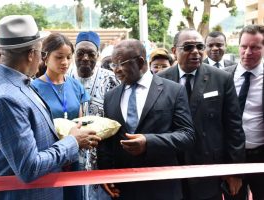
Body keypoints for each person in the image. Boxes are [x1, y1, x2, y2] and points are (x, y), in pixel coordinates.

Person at [0, 15, 101, 200]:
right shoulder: (7, 97)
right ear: (30, 54)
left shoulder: (12, 82)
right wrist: (72, 142)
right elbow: (29, 167)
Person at [97, 39, 195, 200]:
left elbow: (187, 135)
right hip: (124, 190)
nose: (116, 71)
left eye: (121, 64)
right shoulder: (110, 97)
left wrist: (148, 142)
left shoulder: (173, 91)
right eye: (113, 65)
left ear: (140, 61)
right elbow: (108, 142)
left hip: (162, 188)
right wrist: (105, 174)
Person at [158, 28, 245, 200]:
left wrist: (235, 171)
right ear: (175, 51)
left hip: (209, 168)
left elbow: (234, 127)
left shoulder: (221, 79)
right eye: (188, 47)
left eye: (199, 46)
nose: (196, 52)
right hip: (173, 168)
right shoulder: (160, 80)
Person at [31, 33, 90, 200]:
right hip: (48, 157)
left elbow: (80, 121)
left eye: (68, 57)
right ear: (45, 57)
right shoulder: (33, 88)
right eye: (59, 57)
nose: (64, 62)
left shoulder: (75, 85)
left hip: (73, 157)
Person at [68, 31, 119, 200]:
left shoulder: (111, 80)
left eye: (91, 54)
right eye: (80, 53)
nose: (85, 58)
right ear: (74, 53)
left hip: (103, 160)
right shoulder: (63, 78)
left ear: (98, 55)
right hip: (70, 159)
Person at [224, 24, 264, 200]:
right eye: (244, 46)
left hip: (261, 156)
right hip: (231, 157)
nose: (248, 52)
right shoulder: (221, 77)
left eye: (255, 47)